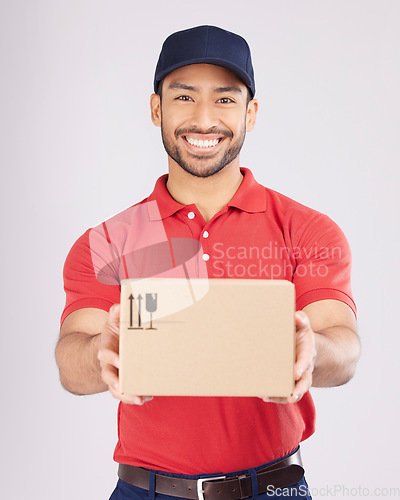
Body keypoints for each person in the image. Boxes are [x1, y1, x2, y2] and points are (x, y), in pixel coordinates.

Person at [55, 25, 360, 500]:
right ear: (156, 108)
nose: (203, 119)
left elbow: (344, 345)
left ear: (250, 113)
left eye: (224, 99)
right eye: (183, 97)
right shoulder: (106, 242)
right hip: (146, 491)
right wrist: (102, 354)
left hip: (273, 487)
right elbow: (70, 359)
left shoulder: (307, 230)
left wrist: (313, 350)